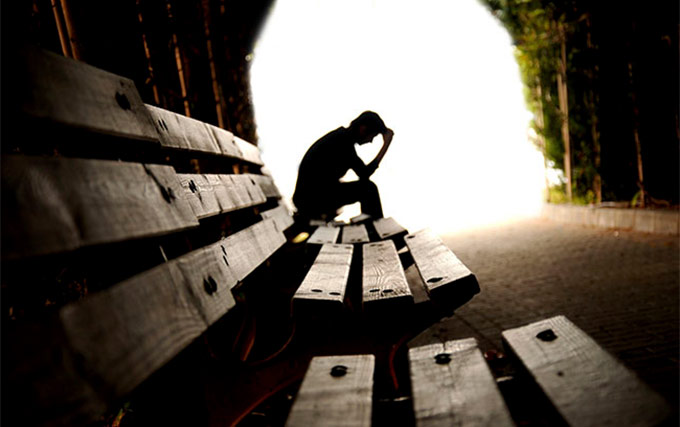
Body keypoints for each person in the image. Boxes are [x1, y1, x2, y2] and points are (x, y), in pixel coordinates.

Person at [292, 111, 394, 221]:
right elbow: (364, 174)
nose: (370, 141)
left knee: (367, 189)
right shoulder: (343, 143)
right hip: (309, 201)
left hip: (309, 198)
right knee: (369, 189)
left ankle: (373, 225)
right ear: (363, 129)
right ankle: (378, 229)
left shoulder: (342, 138)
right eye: (372, 136)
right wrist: (386, 145)